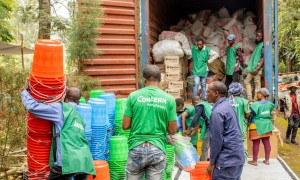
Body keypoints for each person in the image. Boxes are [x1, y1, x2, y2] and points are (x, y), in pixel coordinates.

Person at [21, 84, 95, 180]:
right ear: (78, 100)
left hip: (67, 161)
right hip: (84, 161)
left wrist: (24, 92)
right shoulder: (78, 114)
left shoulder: (60, 109)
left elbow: (33, 107)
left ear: (66, 99)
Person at [122, 65, 178, 180]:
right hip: (157, 148)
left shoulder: (133, 96)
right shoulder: (169, 99)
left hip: (136, 147)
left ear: (144, 80)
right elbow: (173, 130)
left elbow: (125, 125)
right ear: (160, 79)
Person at [206, 81, 244, 179]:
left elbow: (216, 140)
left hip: (226, 161)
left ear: (216, 93)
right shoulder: (228, 106)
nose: (206, 95)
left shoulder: (217, 112)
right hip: (237, 158)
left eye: (208, 92)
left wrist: (212, 162)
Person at [248, 88, 274, 166]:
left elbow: (250, 113)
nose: (257, 94)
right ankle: (267, 160)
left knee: (256, 143)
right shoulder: (270, 104)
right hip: (267, 124)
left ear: (261, 94)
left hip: (256, 124)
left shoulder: (255, 104)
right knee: (266, 142)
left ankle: (255, 161)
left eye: (258, 93)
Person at [228, 82, 251, 158]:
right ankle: (242, 158)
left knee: (230, 142)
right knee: (242, 142)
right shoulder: (244, 101)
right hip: (241, 126)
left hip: (229, 127)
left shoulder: (227, 101)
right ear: (240, 91)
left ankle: (232, 158)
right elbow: (247, 113)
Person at [244, 30, 264, 101]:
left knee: (257, 85)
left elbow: (263, 58)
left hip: (256, 69)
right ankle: (250, 98)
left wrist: (257, 68)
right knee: (246, 81)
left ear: (263, 37)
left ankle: (255, 99)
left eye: (259, 36)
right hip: (252, 68)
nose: (257, 37)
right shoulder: (258, 45)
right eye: (257, 36)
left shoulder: (263, 45)